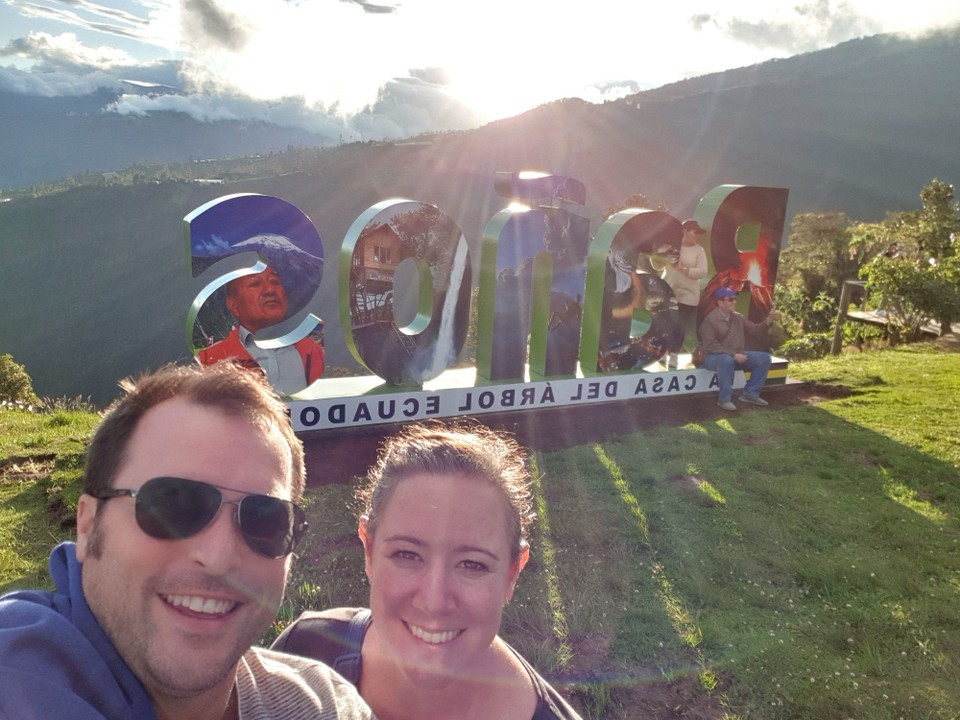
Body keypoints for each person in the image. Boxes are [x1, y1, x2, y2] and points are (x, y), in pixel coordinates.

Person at [0, 363, 373, 720]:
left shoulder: (324, 706)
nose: (219, 556)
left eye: (266, 519)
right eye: (172, 505)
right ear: (87, 526)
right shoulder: (15, 673)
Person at [272, 422, 583, 720]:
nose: (434, 602)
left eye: (472, 564)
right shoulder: (304, 654)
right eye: (407, 554)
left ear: (512, 573)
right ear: (369, 551)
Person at [198, 266, 325, 395]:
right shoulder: (208, 362)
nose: (270, 290)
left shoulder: (314, 352)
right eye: (255, 284)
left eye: (275, 282)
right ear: (233, 305)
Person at [699, 286, 780, 411]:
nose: (735, 302)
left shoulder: (738, 317)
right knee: (726, 360)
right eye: (730, 300)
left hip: (734, 356)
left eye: (735, 299)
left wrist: (768, 320)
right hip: (712, 358)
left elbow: (755, 331)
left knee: (764, 358)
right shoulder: (710, 320)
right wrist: (733, 354)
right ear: (720, 303)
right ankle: (724, 399)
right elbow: (710, 346)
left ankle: (750, 394)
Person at [652, 219, 709, 367]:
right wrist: (661, 256)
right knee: (666, 323)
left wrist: (685, 270)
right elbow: (656, 264)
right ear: (684, 231)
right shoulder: (671, 246)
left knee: (679, 326)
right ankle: (662, 352)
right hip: (669, 291)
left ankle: (674, 354)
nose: (696, 235)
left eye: (698, 233)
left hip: (688, 295)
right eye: (694, 232)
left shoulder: (699, 250)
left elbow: (703, 271)